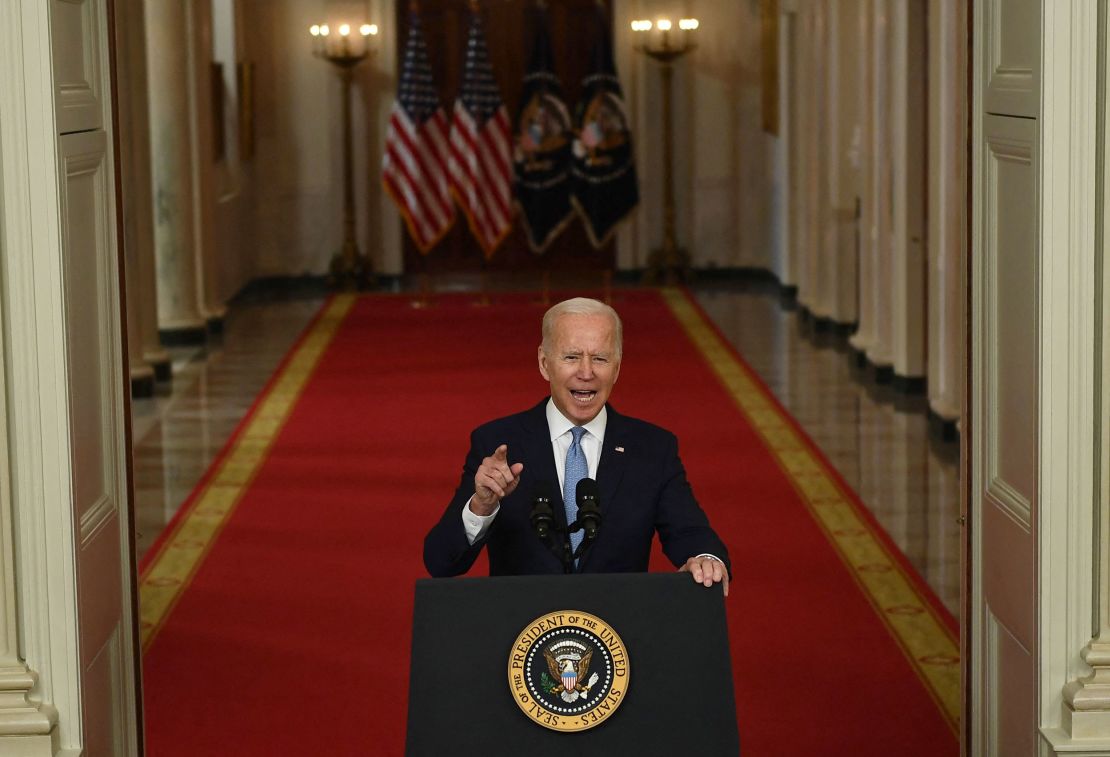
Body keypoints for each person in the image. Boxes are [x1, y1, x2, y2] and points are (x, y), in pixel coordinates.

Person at [423, 297, 730, 594]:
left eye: (600, 358)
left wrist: (706, 558)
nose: (586, 372)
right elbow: (441, 562)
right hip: (524, 633)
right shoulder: (498, 443)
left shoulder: (652, 448)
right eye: (571, 357)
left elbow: (690, 533)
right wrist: (482, 507)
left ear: (617, 368)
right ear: (545, 364)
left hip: (617, 634)